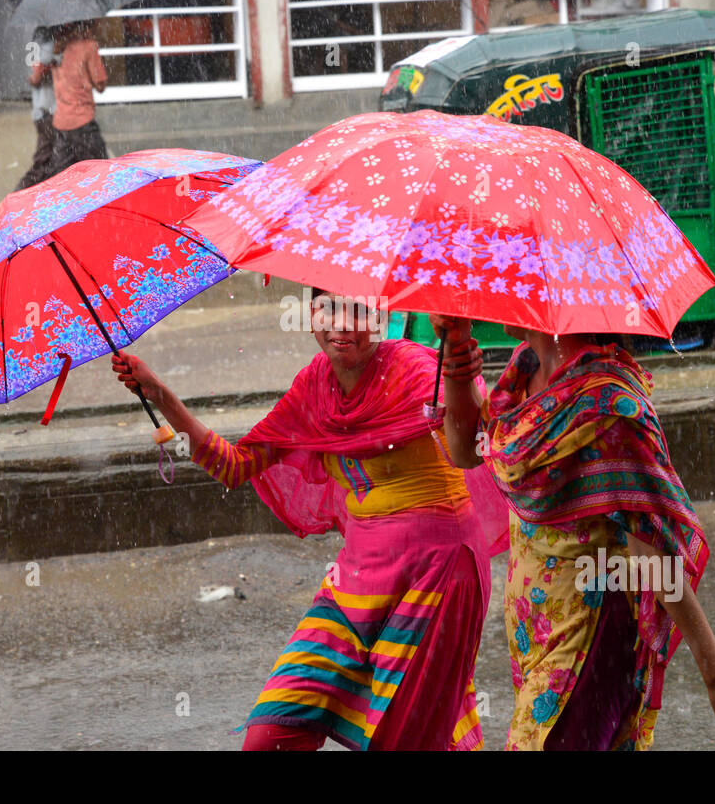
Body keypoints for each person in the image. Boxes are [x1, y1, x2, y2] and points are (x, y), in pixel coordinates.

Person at [111, 292, 504, 750]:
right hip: (358, 575)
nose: (341, 324)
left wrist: (458, 371)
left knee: (407, 738)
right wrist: (160, 395)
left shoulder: (417, 367)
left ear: (381, 316)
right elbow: (234, 466)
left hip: (439, 573)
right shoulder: (314, 385)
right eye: (327, 309)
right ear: (310, 315)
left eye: (357, 310)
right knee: (269, 736)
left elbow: (472, 448)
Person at [433, 318, 715, 750]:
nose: (505, 287)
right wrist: (457, 354)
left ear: (552, 303)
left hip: (589, 635)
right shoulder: (525, 367)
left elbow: (652, 555)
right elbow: (468, 451)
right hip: (535, 626)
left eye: (520, 277)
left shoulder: (611, 406)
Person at [48, 20, 109, 173]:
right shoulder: (88, 46)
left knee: (63, 177)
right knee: (101, 173)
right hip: (83, 122)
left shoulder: (55, 49)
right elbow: (100, 83)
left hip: (61, 123)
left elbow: (37, 75)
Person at [14, 27, 60, 192]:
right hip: (49, 110)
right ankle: (21, 194)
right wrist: (49, 67)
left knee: (54, 159)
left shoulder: (35, 44)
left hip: (44, 110)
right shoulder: (49, 45)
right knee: (44, 160)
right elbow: (35, 78)